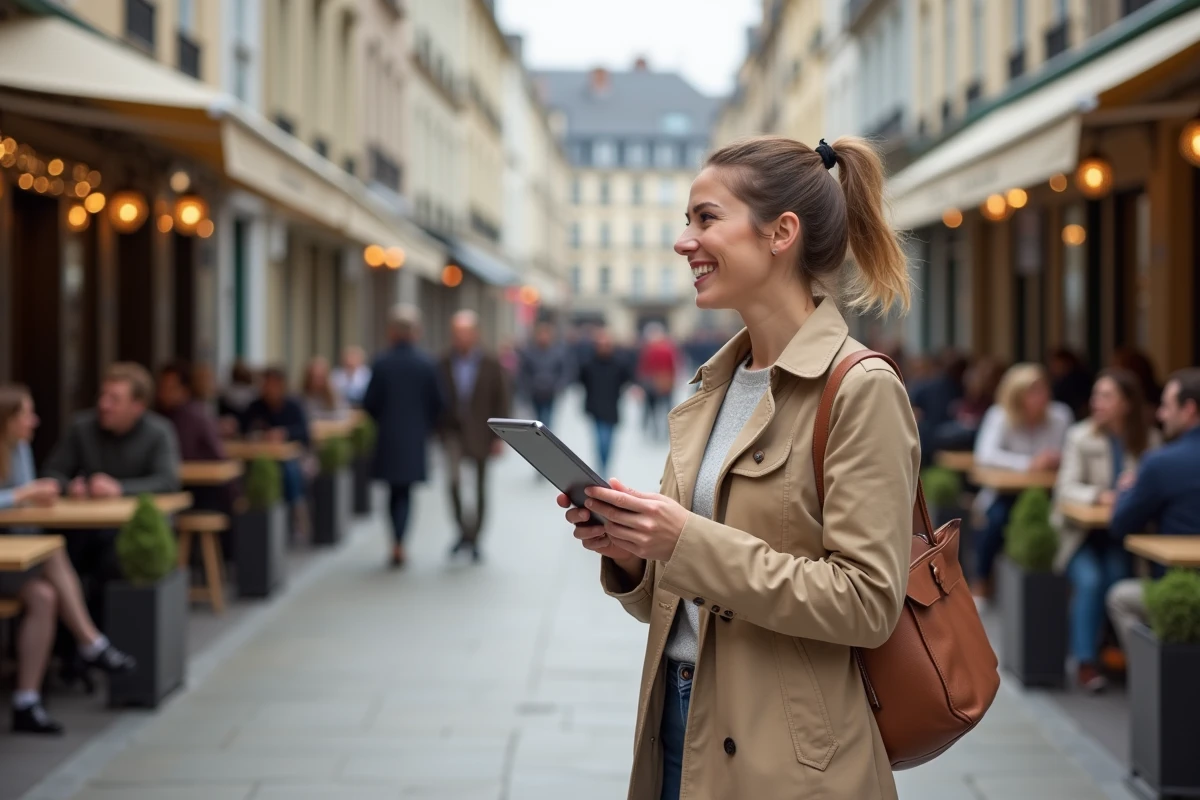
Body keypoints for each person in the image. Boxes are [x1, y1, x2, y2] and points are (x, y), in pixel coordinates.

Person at [558, 136, 920, 799]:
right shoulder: (713, 387)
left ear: (781, 233)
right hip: (677, 723)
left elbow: (867, 602)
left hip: (788, 761)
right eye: (686, 221)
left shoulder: (860, 388)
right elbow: (688, 595)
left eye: (706, 218)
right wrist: (635, 552)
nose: (683, 242)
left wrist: (684, 540)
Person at [0, 386, 137, 734]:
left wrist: (46, 494)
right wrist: (23, 495)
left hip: (13, 554)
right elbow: (20, 496)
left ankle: (26, 701)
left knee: (45, 596)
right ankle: (91, 642)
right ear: (7, 420)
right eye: (27, 414)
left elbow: (27, 506)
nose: (35, 421)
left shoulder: (19, 449)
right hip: (8, 558)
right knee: (54, 550)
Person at [1051, 369, 1158, 692]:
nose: (1096, 402)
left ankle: (1110, 651)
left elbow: (1156, 490)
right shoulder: (1080, 436)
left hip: (1120, 535)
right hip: (1078, 535)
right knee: (1091, 580)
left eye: (1106, 396)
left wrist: (1135, 490)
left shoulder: (1149, 440)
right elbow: (1065, 489)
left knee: (1117, 578)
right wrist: (1100, 495)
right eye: (1096, 395)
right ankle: (1085, 662)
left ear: (1127, 403)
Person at [1106, 369, 1200, 653]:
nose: (1160, 415)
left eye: (1166, 406)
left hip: (1181, 590)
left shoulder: (1161, 463)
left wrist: (1126, 489)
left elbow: (1120, 524)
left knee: (1119, 598)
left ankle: (1155, 675)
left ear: (1189, 409)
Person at [970, 363, 1073, 599]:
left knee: (1060, 525)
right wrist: (1029, 463)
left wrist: (1058, 458)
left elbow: (1072, 451)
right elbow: (985, 455)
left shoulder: (1060, 415)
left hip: (1050, 493)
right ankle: (981, 579)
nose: (1041, 397)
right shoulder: (1000, 415)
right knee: (996, 520)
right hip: (1006, 493)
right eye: (1033, 391)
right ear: (1017, 395)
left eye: (1043, 389)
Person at [362, 305, 445, 568]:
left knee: (393, 492)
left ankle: (396, 541)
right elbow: (439, 403)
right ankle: (400, 541)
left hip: (388, 436)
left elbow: (369, 402)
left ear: (392, 332)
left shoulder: (382, 363)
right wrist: (425, 426)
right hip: (414, 437)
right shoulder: (426, 364)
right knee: (406, 492)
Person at [437, 310, 510, 563]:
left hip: (482, 433)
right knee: (453, 483)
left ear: (475, 334)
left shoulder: (490, 363)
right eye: (456, 333)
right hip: (452, 433)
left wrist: (500, 437)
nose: (461, 338)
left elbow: (502, 399)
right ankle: (463, 531)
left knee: (480, 486)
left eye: (465, 333)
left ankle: (476, 537)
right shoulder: (443, 362)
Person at [239, 367, 312, 537]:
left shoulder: (293, 406)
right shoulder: (255, 407)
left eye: (271, 384)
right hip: (260, 458)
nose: (268, 388)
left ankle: (296, 512)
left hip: (292, 457)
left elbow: (305, 433)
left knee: (290, 470)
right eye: (265, 384)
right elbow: (243, 429)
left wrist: (285, 433)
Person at [577, 328, 634, 476]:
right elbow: (581, 380)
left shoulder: (619, 363)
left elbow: (627, 378)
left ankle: (605, 466)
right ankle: (602, 467)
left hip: (612, 407)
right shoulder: (588, 364)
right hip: (595, 406)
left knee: (608, 441)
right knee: (600, 439)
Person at [517, 320, 573, 426]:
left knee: (546, 419)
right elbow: (523, 373)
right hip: (535, 392)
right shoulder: (529, 352)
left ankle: (544, 434)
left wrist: (559, 386)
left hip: (550, 392)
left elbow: (565, 371)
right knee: (537, 417)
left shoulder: (557, 352)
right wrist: (528, 387)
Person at [636, 322, 679, 441]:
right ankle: (665, 430)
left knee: (652, 408)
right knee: (666, 407)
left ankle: (655, 429)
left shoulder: (648, 349)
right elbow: (673, 366)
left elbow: (644, 367)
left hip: (653, 381)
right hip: (665, 381)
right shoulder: (667, 348)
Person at [301, 356, 347, 420]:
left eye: (320, 377)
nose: (317, 381)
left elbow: (342, 413)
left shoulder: (335, 394)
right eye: (314, 377)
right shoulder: (301, 396)